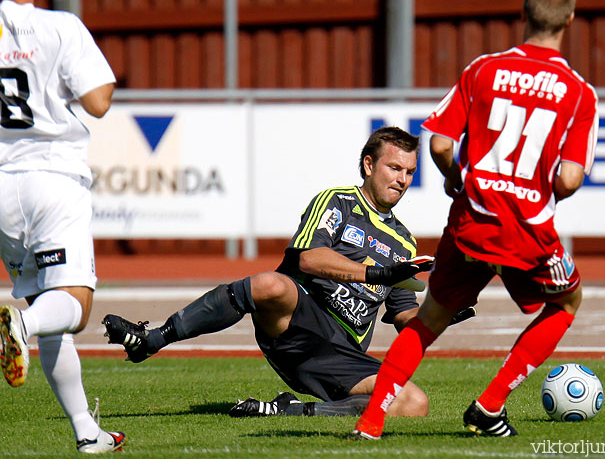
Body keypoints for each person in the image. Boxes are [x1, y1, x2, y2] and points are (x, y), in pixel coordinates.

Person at [352, 0, 599, 440]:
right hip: (528, 230)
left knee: (428, 320)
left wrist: (456, 181)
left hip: (471, 220)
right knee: (567, 301)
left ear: (523, 11)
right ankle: (489, 406)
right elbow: (569, 177)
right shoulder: (579, 92)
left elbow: (441, 144)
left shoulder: (483, 69)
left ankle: (370, 423)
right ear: (570, 18)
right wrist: (540, 192)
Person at [103, 127, 474, 419]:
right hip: (298, 324)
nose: (402, 179)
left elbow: (402, 316)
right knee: (269, 282)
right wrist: (377, 273)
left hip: (344, 356)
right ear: (368, 165)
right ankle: (151, 339)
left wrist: (439, 313)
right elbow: (308, 260)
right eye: (394, 168)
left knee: (413, 402)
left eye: (410, 172)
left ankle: (294, 410)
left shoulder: (405, 243)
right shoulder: (337, 202)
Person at [0, 0, 126, 453]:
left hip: (1, 188)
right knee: (73, 306)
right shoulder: (59, 26)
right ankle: (19, 324)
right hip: (51, 179)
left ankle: (86, 433)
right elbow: (98, 101)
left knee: (52, 310)